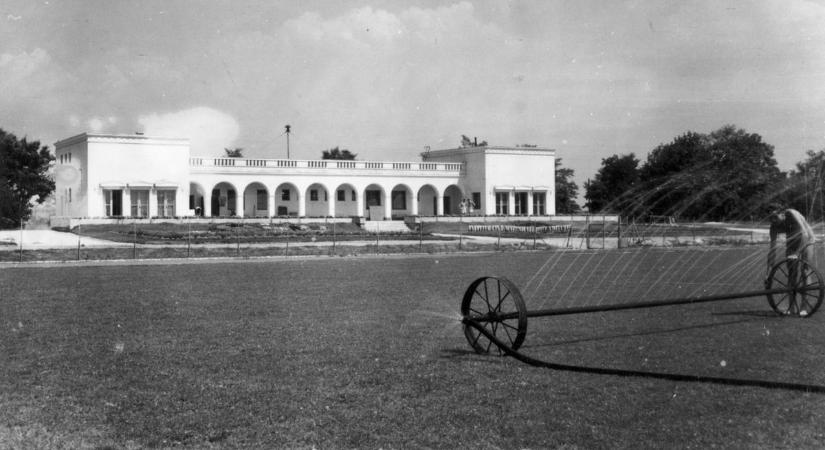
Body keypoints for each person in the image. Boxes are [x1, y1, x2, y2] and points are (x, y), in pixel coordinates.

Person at [767, 207, 816, 315]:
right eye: (771, 218)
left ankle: (803, 307)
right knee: (791, 274)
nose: (773, 220)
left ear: (782, 214)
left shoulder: (791, 213)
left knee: (805, 271)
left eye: (775, 217)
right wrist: (768, 272)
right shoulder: (774, 227)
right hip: (792, 244)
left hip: (807, 240)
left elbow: (804, 234)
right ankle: (791, 307)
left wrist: (796, 253)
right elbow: (772, 250)